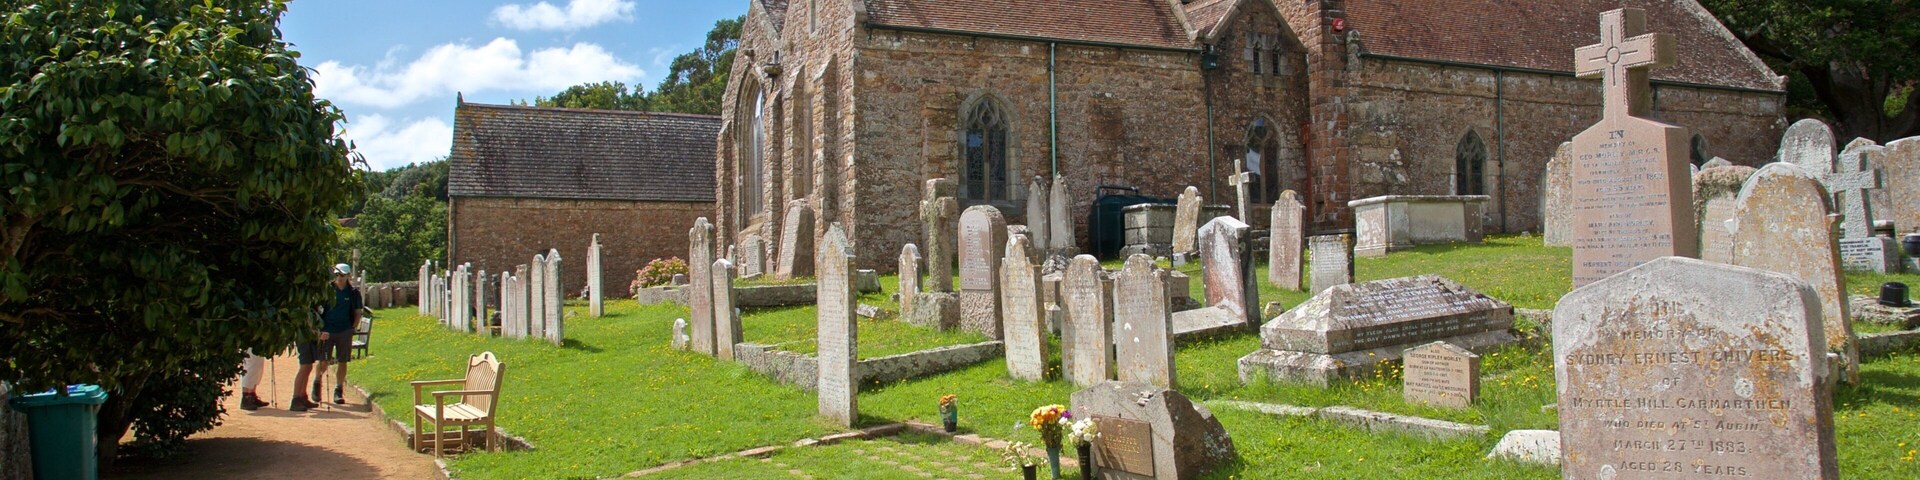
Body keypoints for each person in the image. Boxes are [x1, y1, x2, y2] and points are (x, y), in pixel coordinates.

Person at [290, 263, 362, 411]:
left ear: (348, 276)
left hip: (344, 330)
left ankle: (338, 390)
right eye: (337, 274)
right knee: (323, 360)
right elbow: (317, 310)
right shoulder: (327, 290)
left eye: (342, 275)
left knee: (343, 360)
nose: (339, 277)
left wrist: (352, 328)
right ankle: (317, 382)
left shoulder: (353, 292)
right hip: (326, 331)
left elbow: (357, 311)